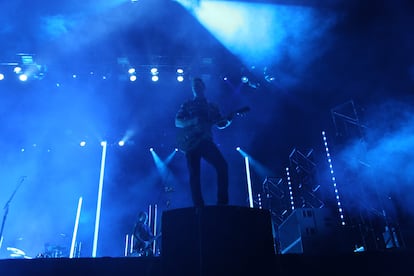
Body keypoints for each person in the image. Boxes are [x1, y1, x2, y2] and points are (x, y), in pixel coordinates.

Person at [175, 77, 232, 207]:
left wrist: (228, 120)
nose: (196, 87)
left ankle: (222, 203)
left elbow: (220, 123)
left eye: (198, 85)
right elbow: (177, 121)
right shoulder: (187, 104)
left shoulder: (212, 106)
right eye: (194, 85)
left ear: (203, 87)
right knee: (194, 174)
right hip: (191, 143)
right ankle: (198, 206)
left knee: (222, 166)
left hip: (206, 141)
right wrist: (193, 122)